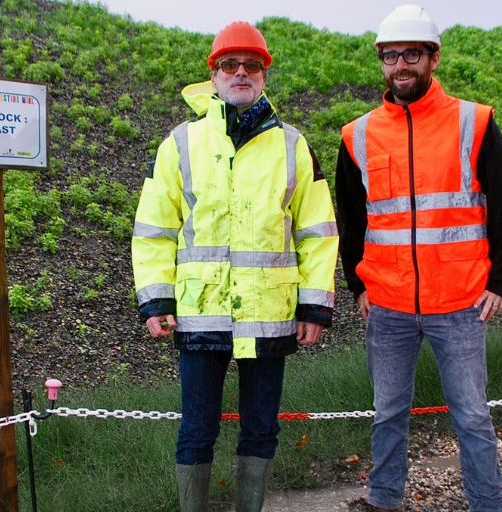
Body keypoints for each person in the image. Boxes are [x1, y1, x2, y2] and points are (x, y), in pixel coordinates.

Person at [131, 21, 339, 512]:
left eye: (252, 65)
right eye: (230, 64)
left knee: (261, 428)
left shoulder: (293, 146)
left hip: (269, 315)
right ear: (214, 75)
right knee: (197, 430)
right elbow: (154, 227)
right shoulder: (180, 143)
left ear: (264, 76)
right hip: (199, 313)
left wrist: (314, 306)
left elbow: (317, 231)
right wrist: (156, 299)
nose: (241, 72)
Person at [334, 5, 502, 512]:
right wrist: (358, 286)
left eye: (411, 54)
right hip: (389, 303)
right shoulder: (357, 135)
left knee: (471, 415)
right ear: (381, 61)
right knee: (388, 410)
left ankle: (487, 504)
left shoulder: (474, 121)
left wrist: (501, 282)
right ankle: (383, 498)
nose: (401, 65)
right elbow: (352, 220)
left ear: (433, 59)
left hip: (461, 301)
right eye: (391, 55)